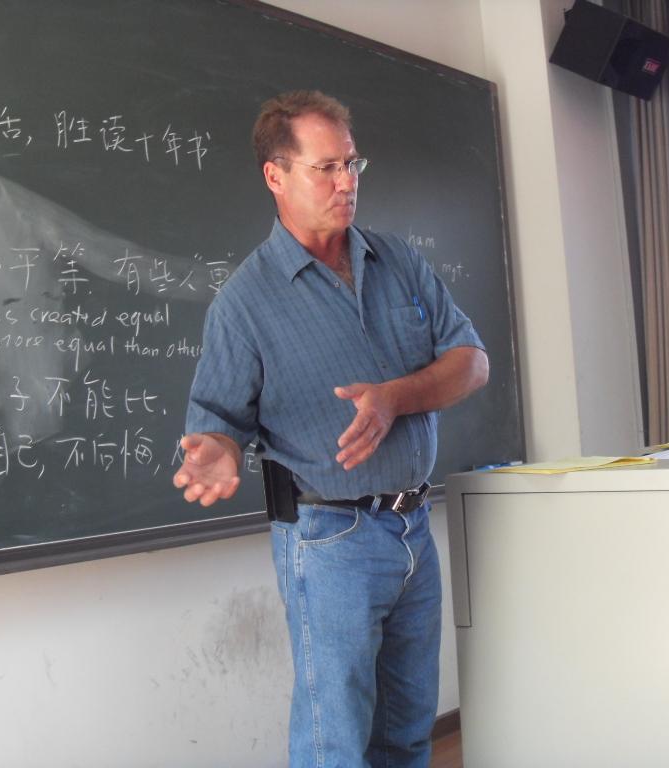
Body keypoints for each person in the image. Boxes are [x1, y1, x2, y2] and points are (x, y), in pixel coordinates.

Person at [173, 90, 488, 767]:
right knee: (335, 743)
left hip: (413, 527)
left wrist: (396, 398)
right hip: (329, 541)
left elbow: (472, 362)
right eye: (326, 168)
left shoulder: (398, 261)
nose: (347, 183)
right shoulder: (244, 304)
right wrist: (217, 451)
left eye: (352, 164)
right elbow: (219, 421)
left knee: (408, 733)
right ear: (276, 175)